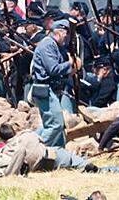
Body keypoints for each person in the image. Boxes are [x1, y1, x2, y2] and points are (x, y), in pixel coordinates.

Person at [31, 19, 80, 147]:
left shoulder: (56, 46)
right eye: (66, 34)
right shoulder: (48, 44)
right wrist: (69, 64)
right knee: (55, 125)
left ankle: (57, 151)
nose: (67, 38)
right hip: (44, 88)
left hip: (51, 88)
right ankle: (36, 150)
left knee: (56, 124)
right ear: (58, 32)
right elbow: (52, 69)